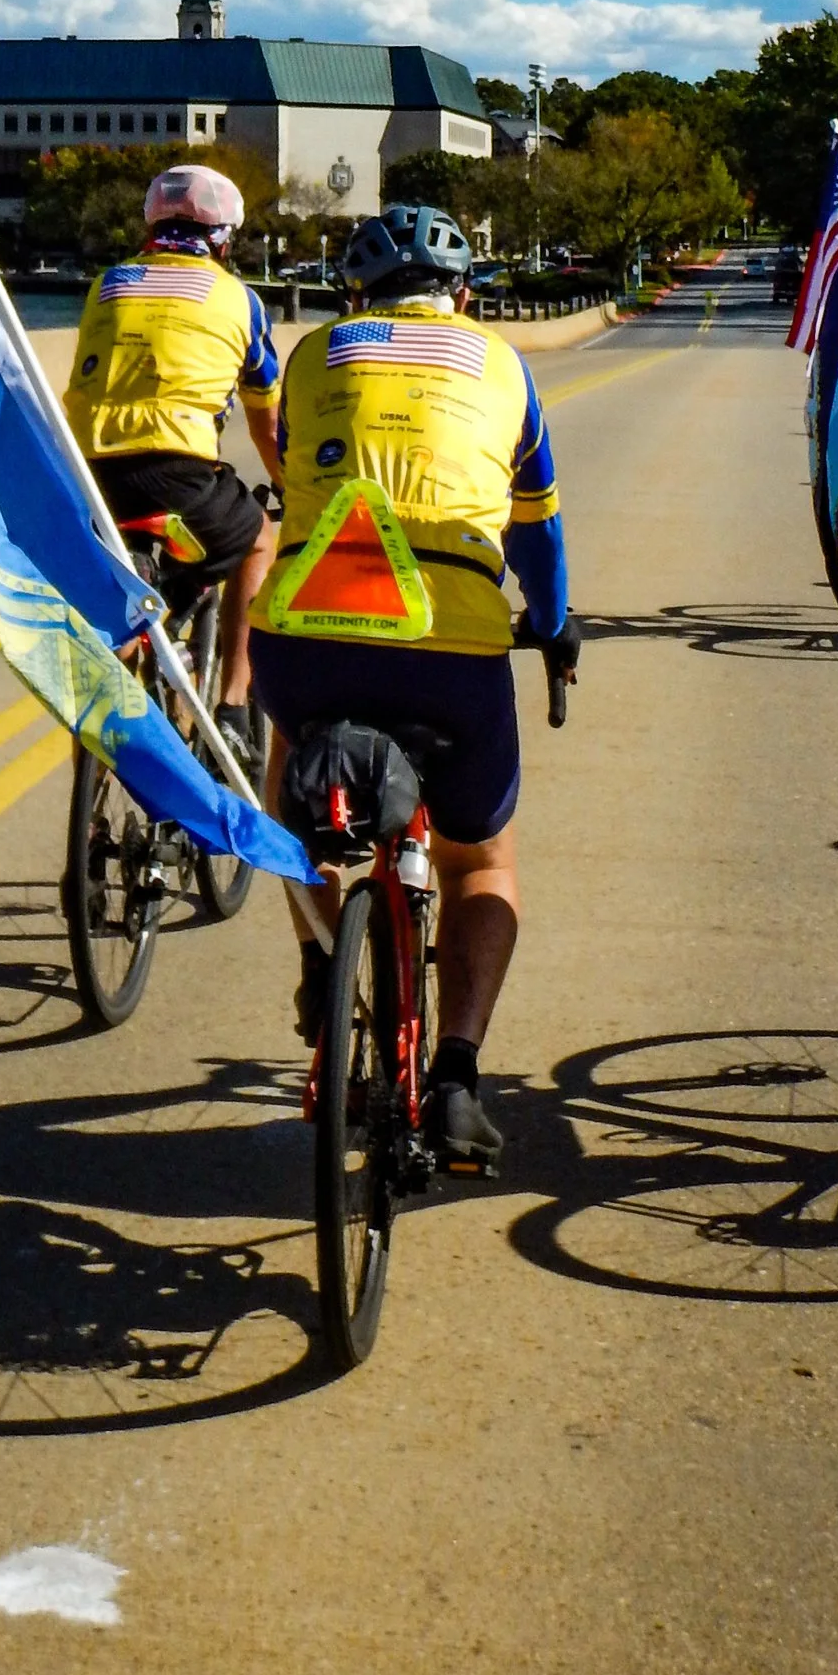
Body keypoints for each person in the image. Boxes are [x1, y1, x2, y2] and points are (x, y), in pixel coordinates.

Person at [248, 202, 581, 1172]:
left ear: (354, 296)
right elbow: (537, 532)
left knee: (286, 792)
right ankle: (457, 1076)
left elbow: (292, 456)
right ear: (466, 296)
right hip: (453, 644)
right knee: (480, 863)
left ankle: (320, 950)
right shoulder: (501, 364)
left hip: (309, 635)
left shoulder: (314, 353)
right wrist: (552, 627)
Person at [62, 164, 281, 761]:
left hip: (86, 471)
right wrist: (288, 483)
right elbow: (266, 420)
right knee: (256, 540)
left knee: (133, 583)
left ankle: (138, 650)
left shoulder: (107, 283)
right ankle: (234, 706)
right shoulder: (240, 299)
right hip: (176, 468)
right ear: (225, 239)